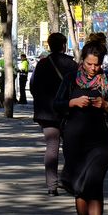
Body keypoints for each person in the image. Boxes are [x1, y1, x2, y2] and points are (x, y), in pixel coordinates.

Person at [53, 33, 108, 215]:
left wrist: (106, 106)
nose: (94, 68)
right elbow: (57, 104)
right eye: (90, 64)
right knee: (80, 185)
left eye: (98, 65)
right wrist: (73, 102)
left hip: (100, 142)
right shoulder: (70, 79)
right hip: (74, 141)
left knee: (94, 182)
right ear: (83, 60)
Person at [30, 33, 78, 196]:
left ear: (49, 45)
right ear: (64, 45)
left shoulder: (42, 64)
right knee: (72, 147)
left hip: (46, 113)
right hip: (67, 111)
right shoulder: (72, 64)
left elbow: (33, 86)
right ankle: (68, 178)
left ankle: (52, 186)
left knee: (52, 147)